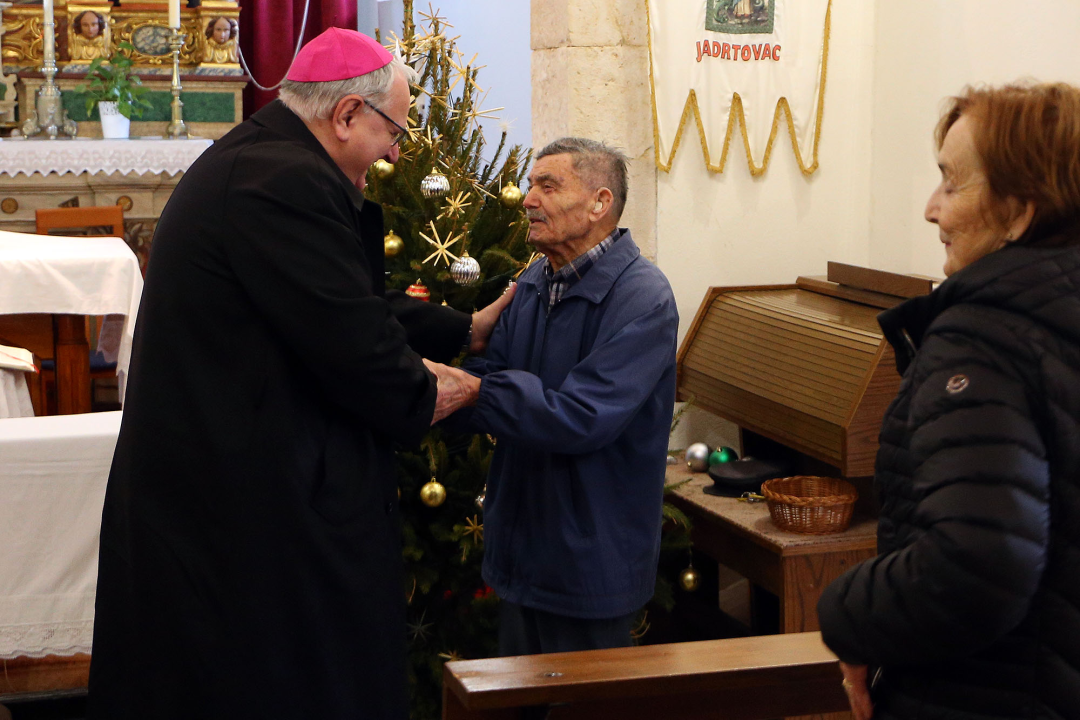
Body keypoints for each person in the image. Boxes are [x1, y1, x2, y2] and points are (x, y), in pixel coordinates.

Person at [88, 28, 506, 720]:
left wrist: (465, 329)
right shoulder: (284, 181)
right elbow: (354, 343)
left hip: (226, 480)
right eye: (393, 131)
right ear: (346, 114)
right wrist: (446, 390)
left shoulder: (264, 158)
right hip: (236, 507)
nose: (395, 153)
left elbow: (339, 300)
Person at [817, 81, 1080, 720]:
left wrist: (845, 613)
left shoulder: (984, 335)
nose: (930, 209)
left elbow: (977, 565)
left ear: (1020, 211)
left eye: (952, 183)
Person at [447, 138, 679, 655]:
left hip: (590, 560)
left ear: (599, 203)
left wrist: (474, 391)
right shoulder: (535, 279)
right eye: (531, 185)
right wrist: (433, 387)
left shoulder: (643, 298)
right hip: (522, 549)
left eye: (548, 187)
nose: (529, 200)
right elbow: (492, 372)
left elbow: (582, 417)